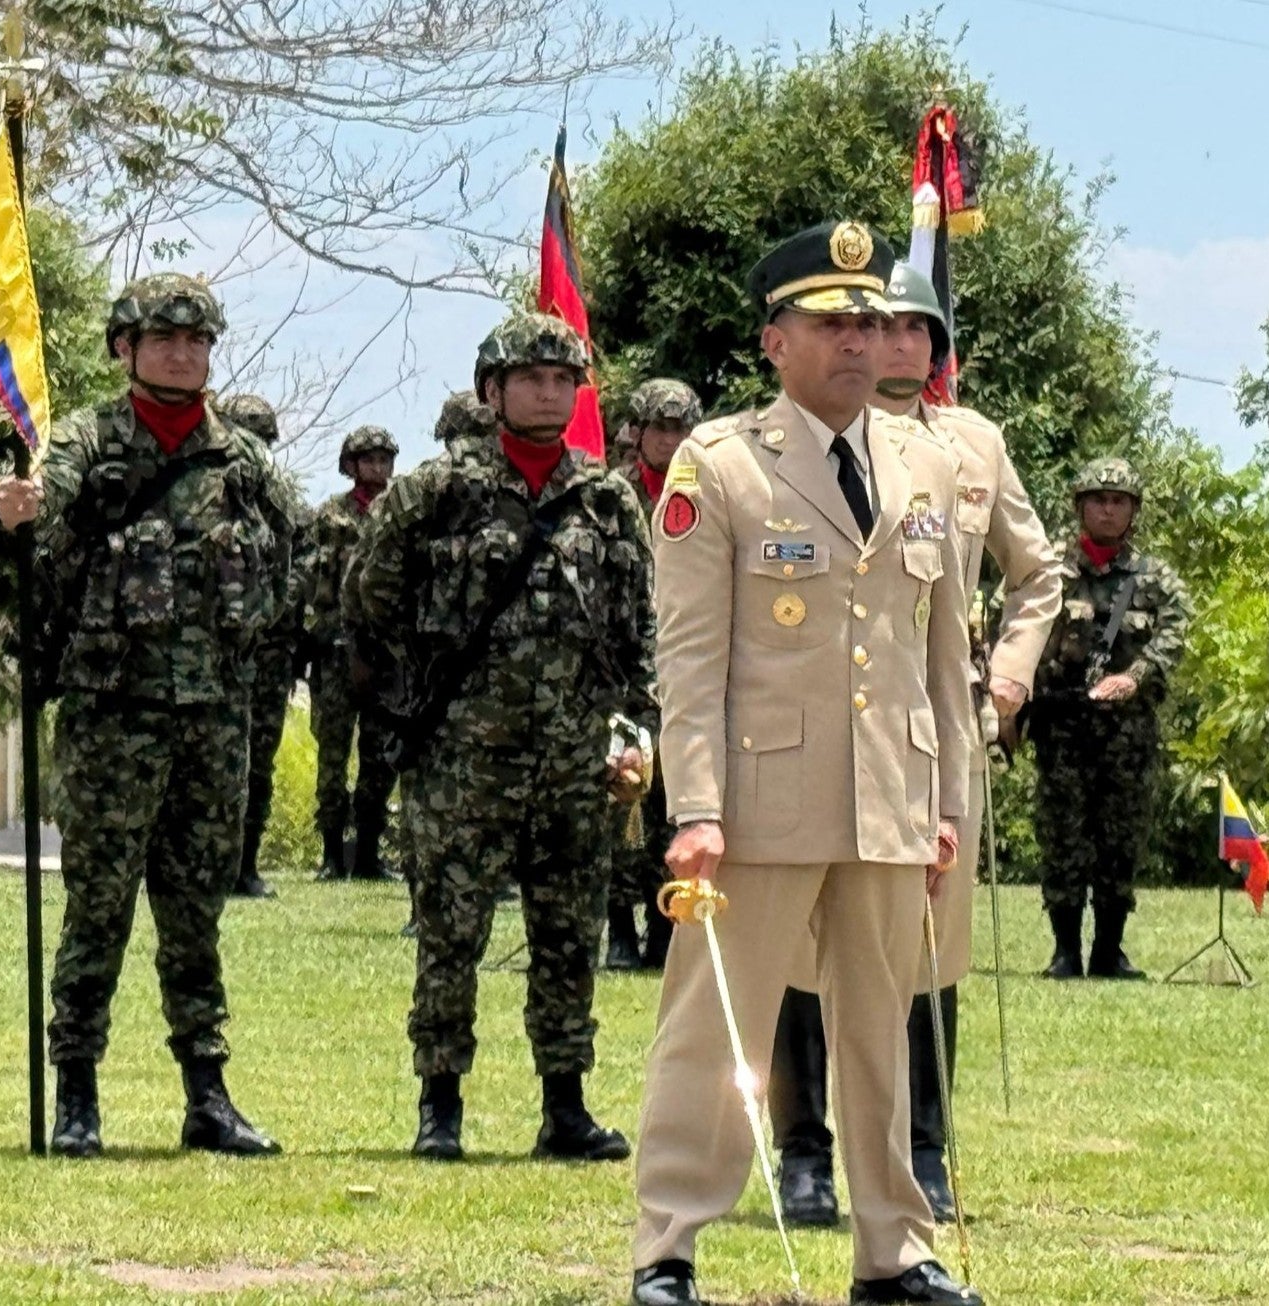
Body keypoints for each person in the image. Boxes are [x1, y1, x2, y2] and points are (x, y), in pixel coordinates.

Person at [631, 220, 981, 1306]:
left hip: (890, 796)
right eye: (830, 324)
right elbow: (691, 662)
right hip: (760, 796)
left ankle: (894, 1249)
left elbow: (940, 654)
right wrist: (695, 807)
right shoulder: (723, 465)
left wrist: (947, 803)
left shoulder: (929, 460)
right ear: (774, 340)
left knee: (883, 1030)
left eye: (871, 324)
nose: (856, 344)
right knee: (715, 1024)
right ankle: (670, 1245)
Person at [766, 260, 1062, 1229]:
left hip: (933, 733)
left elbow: (1036, 573)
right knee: (807, 941)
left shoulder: (973, 446)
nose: (893, 344)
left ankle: (924, 1151)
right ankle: (805, 1153)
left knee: (933, 943)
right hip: (818, 729)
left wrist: (1011, 673)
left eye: (912, 330)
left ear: (936, 350)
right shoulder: (794, 441)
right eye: (875, 325)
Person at [0, 273, 294, 1156]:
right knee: (99, 910)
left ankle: (207, 1094)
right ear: (125, 346)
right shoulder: (87, 439)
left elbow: (292, 556)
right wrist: (14, 509)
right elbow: (37, 501)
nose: (184, 354)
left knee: (197, 911)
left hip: (212, 719)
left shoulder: (241, 461)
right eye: (165, 338)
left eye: (198, 342)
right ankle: (76, 1091)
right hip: (111, 716)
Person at [345, 313, 656, 1164]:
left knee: (568, 934)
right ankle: (439, 1104)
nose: (550, 394)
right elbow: (368, 597)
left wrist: (635, 733)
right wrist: (416, 697)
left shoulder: (606, 499)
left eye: (564, 382)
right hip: (461, 759)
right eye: (531, 380)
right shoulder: (437, 493)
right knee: (451, 931)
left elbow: (639, 632)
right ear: (493, 391)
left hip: (570, 760)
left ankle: (566, 1105)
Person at [1027, 457, 1189, 979]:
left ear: (1133, 511)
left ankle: (1110, 951)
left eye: (1119, 501)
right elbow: (1019, 628)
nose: (1108, 509)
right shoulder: (1048, 569)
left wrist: (1136, 676)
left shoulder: (1154, 577)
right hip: (1063, 729)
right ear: (1080, 506)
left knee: (1120, 839)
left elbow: (1175, 631)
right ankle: (1065, 950)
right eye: (1098, 499)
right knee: (1063, 836)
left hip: (1127, 733)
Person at [604, 378, 704, 973]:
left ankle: (666, 929)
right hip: (623, 670)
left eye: (681, 430)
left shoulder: (708, 491)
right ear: (638, 432)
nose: (671, 441)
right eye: (661, 429)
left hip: (688, 667)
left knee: (677, 804)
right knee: (624, 800)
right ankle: (619, 930)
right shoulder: (610, 495)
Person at [214, 392, 303, 900]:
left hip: (257, 649)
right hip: (232, 648)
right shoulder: (205, 484)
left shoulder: (270, 491)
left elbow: (291, 564)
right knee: (229, 762)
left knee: (251, 762)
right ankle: (228, 868)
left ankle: (242, 866)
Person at [303, 425, 401, 882]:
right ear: (350, 465)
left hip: (386, 655)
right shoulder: (330, 518)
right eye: (368, 459)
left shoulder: (400, 513)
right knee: (333, 756)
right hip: (337, 654)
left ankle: (367, 853)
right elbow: (313, 585)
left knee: (380, 759)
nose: (377, 468)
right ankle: (329, 854)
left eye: (384, 459)